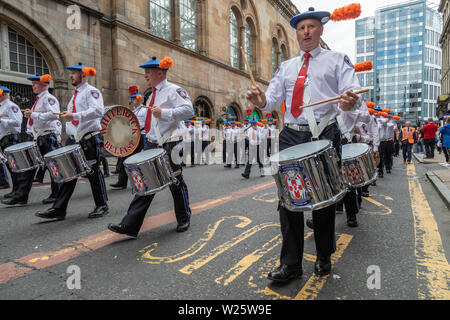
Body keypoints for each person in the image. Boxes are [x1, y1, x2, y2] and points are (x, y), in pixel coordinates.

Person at [246, 8, 363, 280]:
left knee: (323, 200)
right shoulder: (286, 67)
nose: (306, 32)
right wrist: (260, 100)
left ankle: (323, 256)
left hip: (324, 134)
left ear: (320, 30)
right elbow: (271, 101)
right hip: (291, 135)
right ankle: (291, 264)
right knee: (288, 200)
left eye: (311, 27)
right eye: (301, 28)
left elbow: (351, 92)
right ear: (296, 33)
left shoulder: (337, 60)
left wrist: (350, 101)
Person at [108, 56, 193, 238]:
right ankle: (130, 225)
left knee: (175, 182)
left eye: (148, 72)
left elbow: (189, 110)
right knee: (145, 182)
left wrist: (165, 112)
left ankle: (184, 217)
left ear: (160, 72)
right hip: (152, 142)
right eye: (145, 72)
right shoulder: (151, 94)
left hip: (170, 142)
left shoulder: (174, 90)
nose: (145, 75)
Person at [35, 62, 109, 220]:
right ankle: (59, 208)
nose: (70, 76)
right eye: (70, 74)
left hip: (89, 139)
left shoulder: (92, 92)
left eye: (73, 73)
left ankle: (102, 205)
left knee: (93, 172)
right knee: (69, 174)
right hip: (75, 140)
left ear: (83, 75)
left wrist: (74, 116)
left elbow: (98, 111)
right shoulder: (75, 96)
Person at [2, 74, 62, 206]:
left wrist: (33, 114)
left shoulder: (49, 98)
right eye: (33, 83)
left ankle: (56, 194)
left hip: (47, 137)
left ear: (44, 85)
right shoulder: (39, 100)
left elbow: (54, 115)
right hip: (39, 137)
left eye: (35, 83)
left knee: (52, 167)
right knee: (29, 167)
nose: (33, 86)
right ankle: (21, 196)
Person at [110, 91, 147, 189]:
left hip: (139, 136)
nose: (132, 100)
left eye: (134, 99)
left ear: (139, 99)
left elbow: (145, 124)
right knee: (124, 158)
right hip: (131, 136)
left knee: (132, 159)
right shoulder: (134, 110)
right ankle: (122, 182)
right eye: (132, 99)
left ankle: (140, 182)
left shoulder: (144, 110)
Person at [0, 86, 23, 198]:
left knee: (14, 165)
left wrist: (2, 120)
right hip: (4, 138)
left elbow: (17, 122)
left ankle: (18, 191)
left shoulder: (11, 106)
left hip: (10, 138)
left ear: (4, 94)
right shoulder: (1, 107)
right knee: (10, 166)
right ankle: (15, 190)